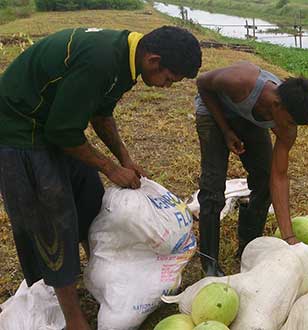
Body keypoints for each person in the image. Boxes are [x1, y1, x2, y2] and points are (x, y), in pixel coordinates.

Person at [0, 26, 202, 330]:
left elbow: (101, 113)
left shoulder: (126, 60)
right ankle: (74, 319)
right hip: (20, 129)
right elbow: (61, 132)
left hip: (56, 124)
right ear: (154, 60)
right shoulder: (101, 60)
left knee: (89, 199)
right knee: (53, 220)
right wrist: (110, 168)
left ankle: (98, 272)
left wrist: (125, 160)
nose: (167, 87)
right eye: (169, 80)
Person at [195, 61, 308, 276]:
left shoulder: (287, 127)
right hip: (213, 111)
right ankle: (209, 262)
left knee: (264, 179)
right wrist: (225, 130)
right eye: (290, 122)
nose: (290, 129)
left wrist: (289, 238)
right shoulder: (241, 81)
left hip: (250, 119)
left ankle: (248, 246)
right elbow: (202, 84)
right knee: (213, 186)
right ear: (277, 104)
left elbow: (278, 177)